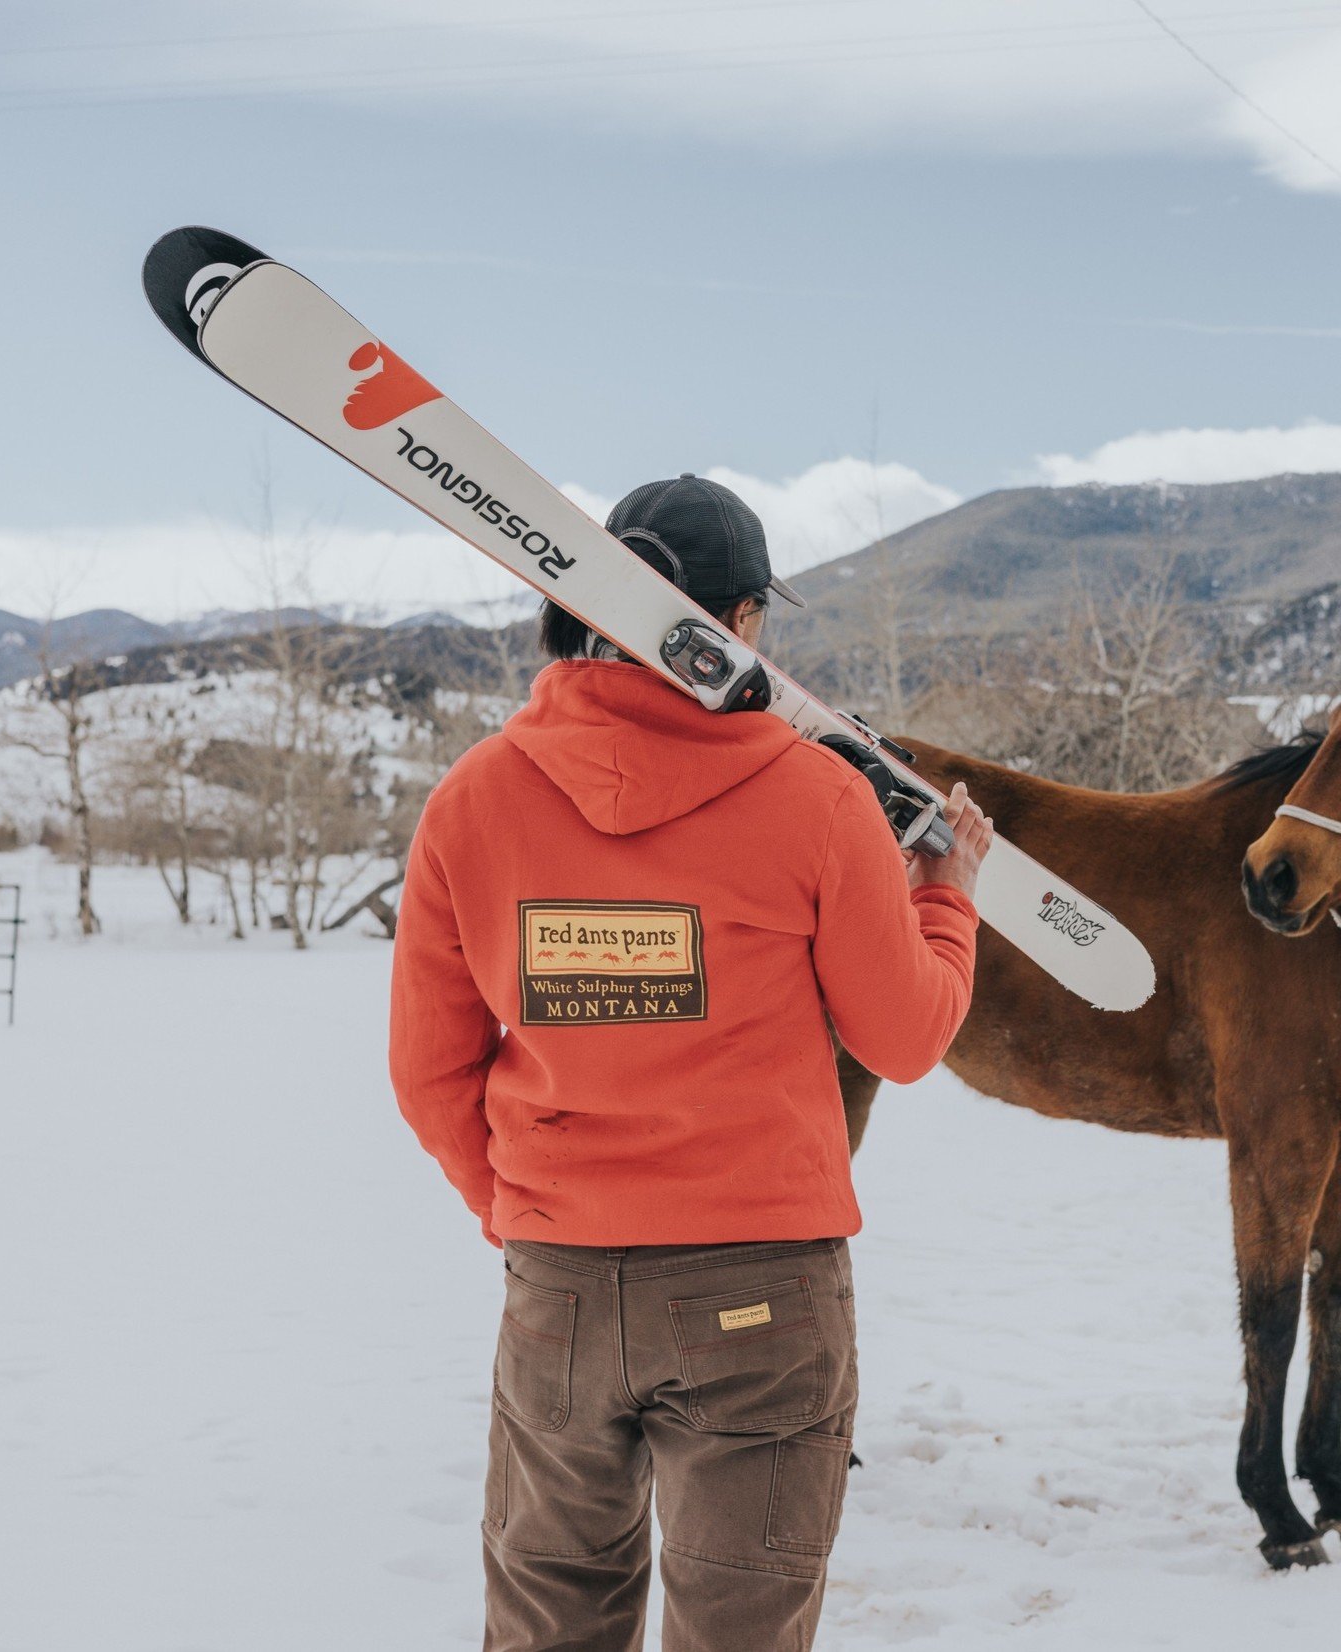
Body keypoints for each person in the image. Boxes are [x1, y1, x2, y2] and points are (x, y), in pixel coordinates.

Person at [389, 473, 992, 1652]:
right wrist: (945, 900)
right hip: (758, 1293)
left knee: (547, 1624)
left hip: (559, 1281)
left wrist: (521, 1214)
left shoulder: (471, 800)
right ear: (742, 625)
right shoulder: (820, 800)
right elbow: (904, 1037)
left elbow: (428, 1071)